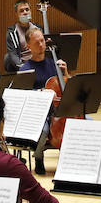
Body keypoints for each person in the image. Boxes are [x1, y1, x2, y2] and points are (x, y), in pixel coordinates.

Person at [23, 25, 68, 175]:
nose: (41, 45)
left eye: (42, 41)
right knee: (43, 131)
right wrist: (40, 91)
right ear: (29, 46)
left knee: (87, 121)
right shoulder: (26, 69)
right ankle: (39, 157)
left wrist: (66, 73)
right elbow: (23, 94)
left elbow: (65, 87)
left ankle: (71, 159)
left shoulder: (53, 64)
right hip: (38, 112)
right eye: (37, 43)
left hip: (57, 110)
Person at [3, 0, 35, 72]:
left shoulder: (38, 29)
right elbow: (13, 54)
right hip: (22, 64)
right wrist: (24, 69)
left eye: (27, 10)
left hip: (36, 62)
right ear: (16, 14)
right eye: (21, 11)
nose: (25, 12)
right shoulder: (12, 32)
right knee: (7, 57)